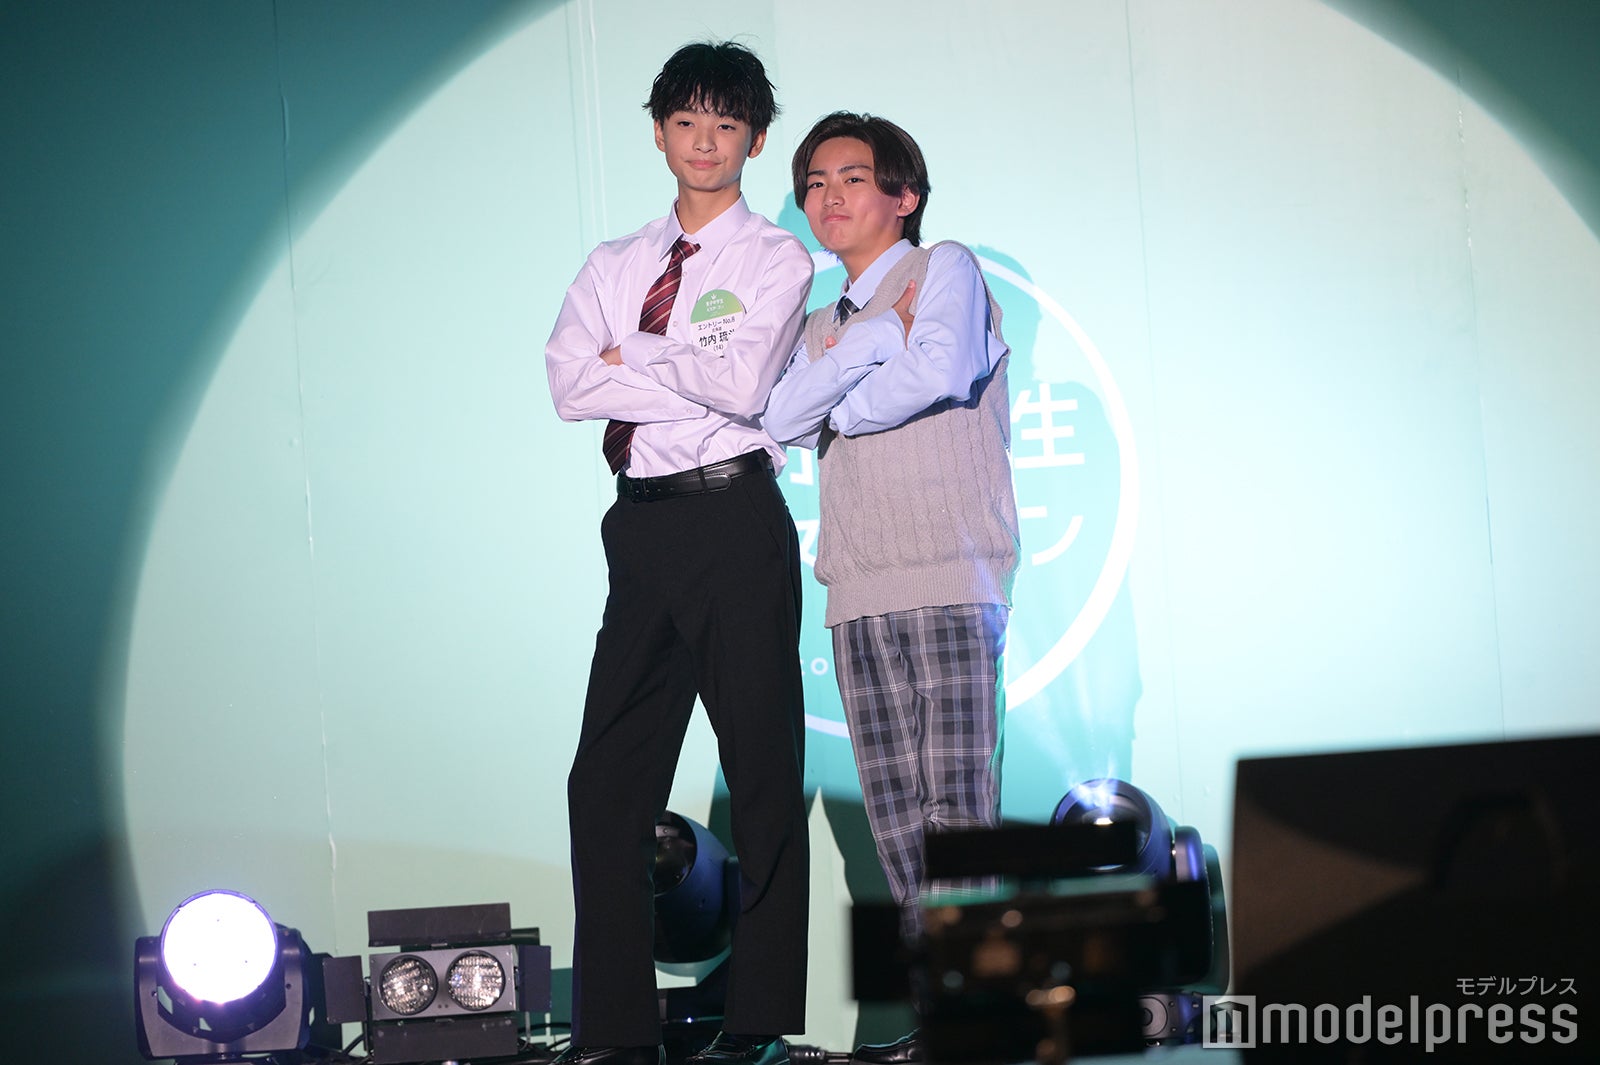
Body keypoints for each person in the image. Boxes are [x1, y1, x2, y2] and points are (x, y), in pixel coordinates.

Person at [544, 42, 812, 1065]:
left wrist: (642, 353)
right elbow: (571, 385)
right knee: (604, 783)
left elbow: (743, 387)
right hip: (642, 522)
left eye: (727, 124)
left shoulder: (775, 259)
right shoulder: (614, 263)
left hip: (732, 515)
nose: (706, 142)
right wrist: (681, 366)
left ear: (754, 140)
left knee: (761, 770)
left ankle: (758, 1022)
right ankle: (614, 1034)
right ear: (659, 132)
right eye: (688, 122)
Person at [761, 112, 1019, 1065]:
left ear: (904, 196)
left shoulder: (942, 267)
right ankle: (949, 1017)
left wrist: (846, 399)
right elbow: (781, 417)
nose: (828, 197)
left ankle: (983, 1018)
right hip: (858, 589)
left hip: (948, 570)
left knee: (956, 810)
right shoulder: (823, 321)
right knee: (899, 821)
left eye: (852, 178)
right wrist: (873, 344)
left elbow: (941, 368)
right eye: (814, 183)